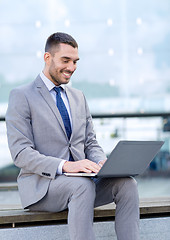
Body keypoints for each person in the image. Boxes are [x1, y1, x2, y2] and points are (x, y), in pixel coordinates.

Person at [6, 32, 140, 240]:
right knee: (81, 185)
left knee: (126, 184)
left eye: (75, 61)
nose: (71, 67)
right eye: (65, 60)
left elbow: (90, 142)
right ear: (47, 58)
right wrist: (65, 166)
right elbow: (21, 153)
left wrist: (101, 162)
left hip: (82, 182)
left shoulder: (78, 97)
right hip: (43, 188)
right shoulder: (21, 96)